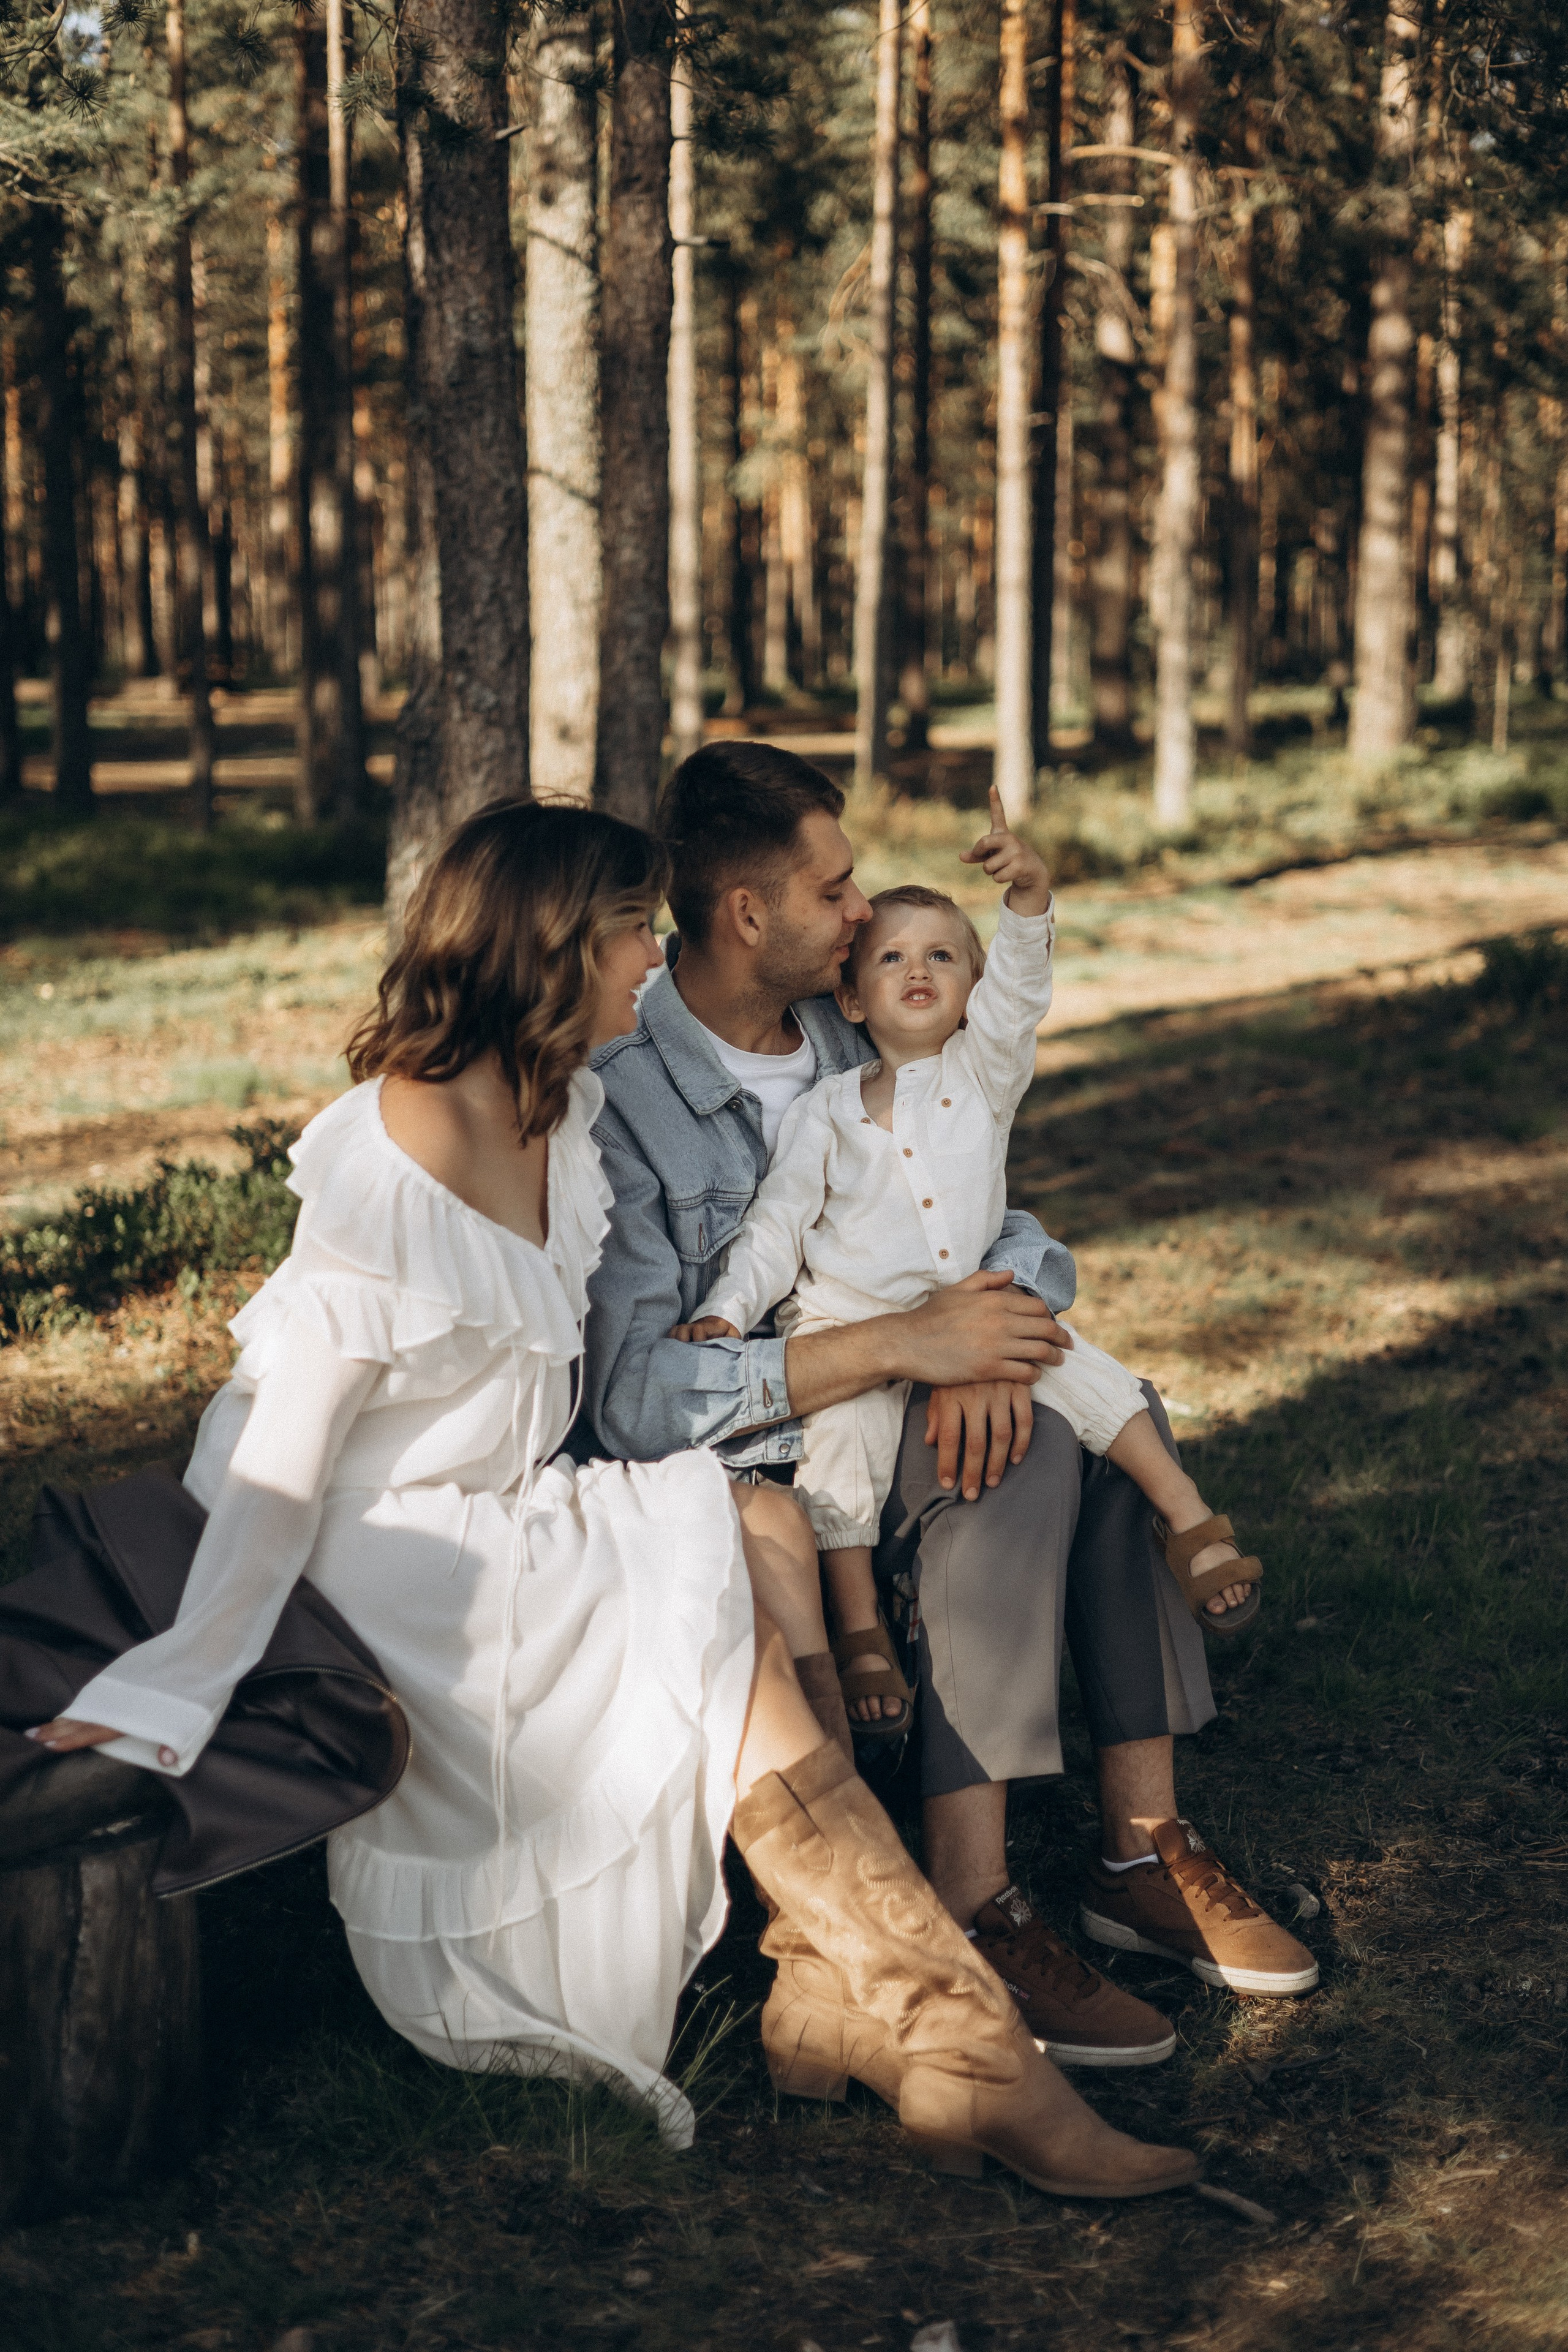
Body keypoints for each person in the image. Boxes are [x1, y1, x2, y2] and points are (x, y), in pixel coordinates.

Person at [21, 799, 1198, 2199]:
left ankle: (849, 1994)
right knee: (721, 1588)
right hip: (375, 1543)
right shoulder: (398, 1148)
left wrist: (965, 1306)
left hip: (498, 1501)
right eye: (633, 930)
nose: (655, 955)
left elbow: (926, 1168)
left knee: (749, 1522)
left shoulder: (564, 1101)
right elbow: (284, 1466)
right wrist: (182, 1679)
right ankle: (963, 2046)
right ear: (554, 946)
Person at [584, 743, 1317, 2079]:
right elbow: (636, 1399)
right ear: (749, 914)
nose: (867, 914)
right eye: (836, 888)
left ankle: (1135, 1850)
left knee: (1096, 1423)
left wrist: (988, 1326)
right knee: (1024, 1457)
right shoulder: (623, 1101)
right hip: (779, 1436)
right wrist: (907, 1345)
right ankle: (977, 1897)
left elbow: (978, 1208)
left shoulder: (842, 1023)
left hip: (922, 1368)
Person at [670, 788, 1261, 1733]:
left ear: (971, 992)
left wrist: (1028, 900)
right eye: (891, 957)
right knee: (840, 1459)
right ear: (851, 997)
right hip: (850, 1324)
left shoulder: (984, 1076)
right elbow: (775, 1230)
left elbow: (1021, 995)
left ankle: (1188, 1516)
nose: (918, 970)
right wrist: (729, 1313)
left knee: (1095, 1379)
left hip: (975, 1307)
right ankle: (860, 1628)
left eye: (942, 957)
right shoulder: (824, 1109)